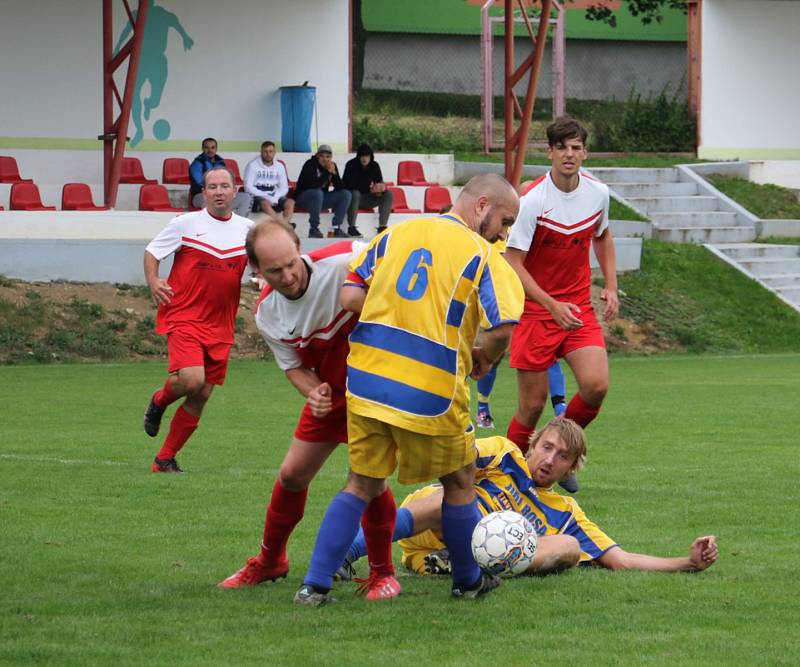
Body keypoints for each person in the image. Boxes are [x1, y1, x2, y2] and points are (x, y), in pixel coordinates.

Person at [294, 173, 525, 606]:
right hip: (430, 389)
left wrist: (398, 314)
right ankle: (469, 580)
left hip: (366, 380)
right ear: (481, 206)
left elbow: (350, 296)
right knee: (459, 481)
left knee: (359, 483)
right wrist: (483, 357)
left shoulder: (394, 234)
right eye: (505, 220)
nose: (504, 232)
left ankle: (314, 585)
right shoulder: (482, 254)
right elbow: (503, 324)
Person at [217, 219, 398, 587]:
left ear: (300, 247)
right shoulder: (268, 313)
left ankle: (383, 574)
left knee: (369, 480)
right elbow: (293, 366)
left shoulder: (346, 259)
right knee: (292, 475)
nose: (287, 276)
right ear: (256, 270)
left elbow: (402, 272)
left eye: (291, 264)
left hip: (379, 390)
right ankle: (270, 561)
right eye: (274, 271)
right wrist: (313, 392)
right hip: (333, 394)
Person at [341, 419, 718, 578]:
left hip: (479, 559)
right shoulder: (504, 454)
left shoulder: (565, 511)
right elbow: (458, 457)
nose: (550, 460)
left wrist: (687, 562)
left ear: (570, 469)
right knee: (447, 498)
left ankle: (469, 565)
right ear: (533, 444)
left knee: (569, 545)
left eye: (563, 456)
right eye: (547, 448)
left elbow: (622, 560)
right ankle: (347, 554)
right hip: (432, 534)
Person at [504, 117, 619, 493]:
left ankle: (558, 453)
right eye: (562, 148)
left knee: (596, 385)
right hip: (537, 310)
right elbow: (513, 263)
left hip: (577, 307)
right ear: (550, 152)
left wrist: (611, 287)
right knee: (532, 406)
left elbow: (602, 236)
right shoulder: (531, 200)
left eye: (576, 148)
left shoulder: (598, 193)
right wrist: (550, 304)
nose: (569, 155)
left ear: (584, 153)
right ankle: (506, 477)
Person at [142, 167, 254, 472]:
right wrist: (154, 281)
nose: (219, 192)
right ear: (203, 193)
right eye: (212, 187)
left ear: (235, 191)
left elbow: (261, 268)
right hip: (185, 315)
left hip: (221, 324)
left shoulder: (248, 230)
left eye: (224, 186)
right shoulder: (185, 224)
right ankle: (159, 400)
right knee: (193, 379)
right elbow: (152, 252)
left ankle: (164, 459)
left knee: (202, 393)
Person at [293, 145, 353, 239]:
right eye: (322, 156)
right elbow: (314, 185)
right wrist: (327, 172)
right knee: (318, 192)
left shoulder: (331, 165)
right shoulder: (309, 164)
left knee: (346, 194)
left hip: (320, 199)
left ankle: (336, 228)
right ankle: (314, 228)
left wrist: (334, 174)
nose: (325, 159)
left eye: (328, 157)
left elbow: (340, 187)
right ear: (317, 156)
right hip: (304, 198)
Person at [189, 138, 252, 217]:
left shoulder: (220, 162)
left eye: (213, 147)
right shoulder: (197, 164)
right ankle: (211, 227)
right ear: (202, 149)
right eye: (207, 148)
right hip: (200, 196)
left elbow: (227, 180)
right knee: (209, 198)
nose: (210, 150)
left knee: (245, 198)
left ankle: (237, 226)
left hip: (221, 194)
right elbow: (201, 184)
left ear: (216, 149)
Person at [342, 143, 393, 234]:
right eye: (362, 156)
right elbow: (347, 185)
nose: (364, 158)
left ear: (371, 156)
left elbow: (379, 181)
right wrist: (371, 189)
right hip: (351, 199)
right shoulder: (351, 165)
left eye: (367, 156)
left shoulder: (374, 165)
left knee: (388, 194)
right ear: (358, 156)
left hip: (366, 198)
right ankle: (351, 227)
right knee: (355, 193)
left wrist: (381, 188)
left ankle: (382, 226)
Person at [243, 141, 295, 227]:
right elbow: (248, 187)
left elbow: (284, 187)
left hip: (274, 195)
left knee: (290, 202)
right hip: (257, 196)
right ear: (261, 152)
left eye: (270, 151)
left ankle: (285, 223)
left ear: (274, 153)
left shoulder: (279, 166)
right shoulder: (252, 165)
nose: (268, 154)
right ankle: (282, 225)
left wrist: (275, 197)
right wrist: (267, 197)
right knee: (265, 203)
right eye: (265, 151)